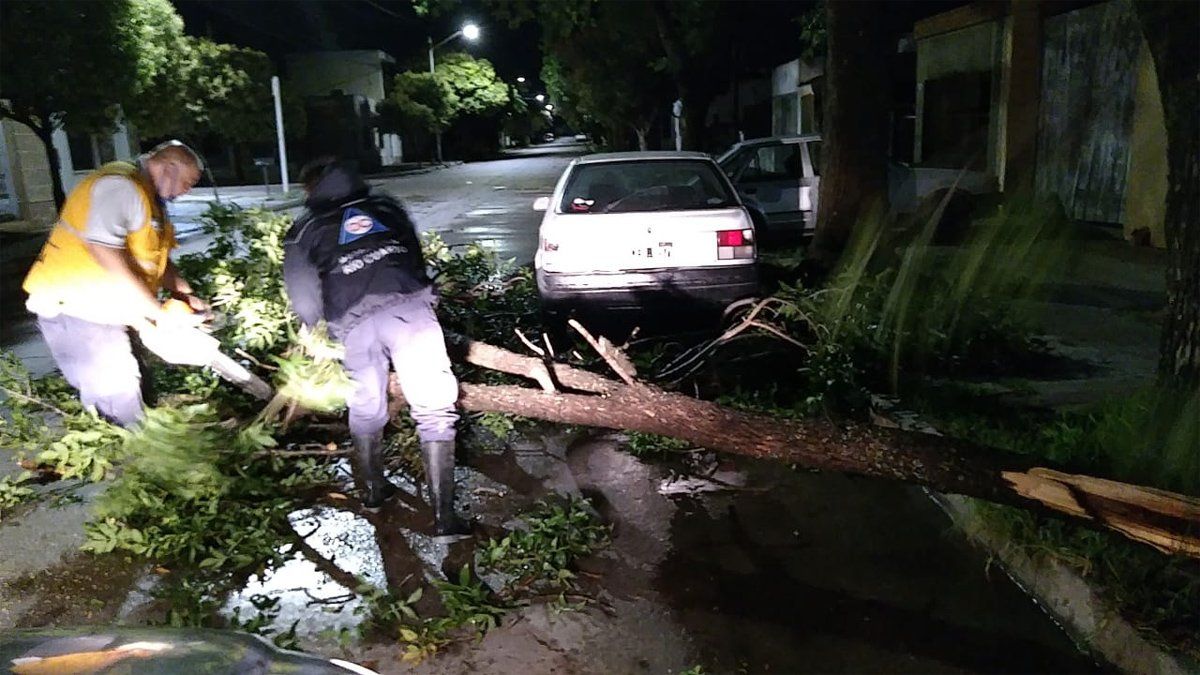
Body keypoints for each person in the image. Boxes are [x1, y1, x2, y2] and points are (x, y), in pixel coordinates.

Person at [282, 157, 465, 538]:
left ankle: (373, 493)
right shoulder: (386, 207)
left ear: (309, 189)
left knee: (365, 405)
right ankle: (445, 520)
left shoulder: (305, 229)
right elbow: (414, 252)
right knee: (434, 408)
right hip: (409, 310)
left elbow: (304, 297)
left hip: (352, 324)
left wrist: (315, 329)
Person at [22, 140, 208, 428]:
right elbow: (104, 251)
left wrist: (184, 293)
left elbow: (159, 259)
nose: (188, 190)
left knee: (137, 387)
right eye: (188, 182)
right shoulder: (121, 187)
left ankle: (145, 455)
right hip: (77, 305)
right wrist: (156, 314)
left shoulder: (150, 198)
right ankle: (134, 460)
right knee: (117, 394)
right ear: (169, 167)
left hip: (109, 308)